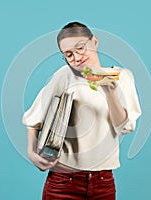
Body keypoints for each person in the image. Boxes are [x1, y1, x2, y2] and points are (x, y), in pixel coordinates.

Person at [22, 21, 141, 200]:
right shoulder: (64, 75)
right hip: (62, 183)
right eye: (69, 54)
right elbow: (33, 118)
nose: (77, 58)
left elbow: (124, 127)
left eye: (81, 48)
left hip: (103, 182)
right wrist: (31, 153)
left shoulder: (121, 77)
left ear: (94, 41)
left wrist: (110, 93)